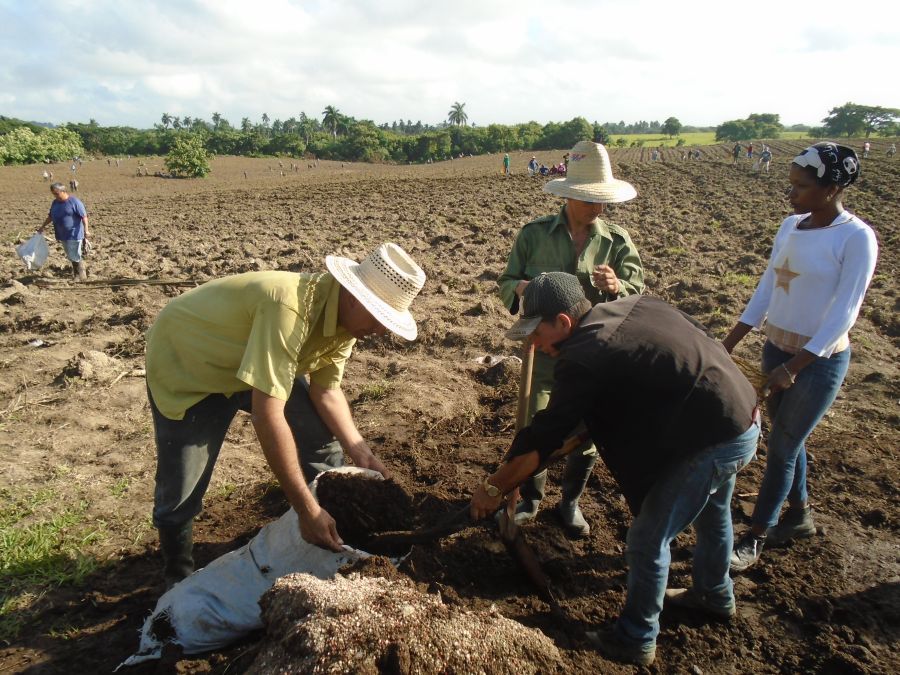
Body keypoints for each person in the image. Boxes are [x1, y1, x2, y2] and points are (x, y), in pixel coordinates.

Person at [470, 272, 759, 666]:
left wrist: (492, 488)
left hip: (712, 439)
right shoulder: (631, 304)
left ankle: (636, 638)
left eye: (536, 333)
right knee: (714, 512)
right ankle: (714, 593)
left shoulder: (585, 358)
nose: (531, 343)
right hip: (738, 413)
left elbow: (546, 436)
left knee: (647, 537)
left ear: (564, 322)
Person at [145, 243, 426, 588]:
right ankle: (177, 577)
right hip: (192, 364)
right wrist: (305, 509)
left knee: (322, 442)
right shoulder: (290, 308)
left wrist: (362, 452)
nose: (381, 330)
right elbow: (268, 415)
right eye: (379, 318)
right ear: (356, 297)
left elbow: (327, 391)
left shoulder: (346, 323)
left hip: (256, 358)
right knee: (182, 490)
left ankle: (341, 535)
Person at [723, 143, 878, 571]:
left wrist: (796, 366)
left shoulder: (856, 238)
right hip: (776, 348)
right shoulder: (790, 226)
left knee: (783, 445)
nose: (791, 194)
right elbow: (768, 289)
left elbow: (846, 313)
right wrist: (730, 342)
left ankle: (757, 534)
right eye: (791, 185)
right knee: (789, 440)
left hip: (819, 362)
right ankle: (801, 515)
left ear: (830, 189)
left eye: (801, 186)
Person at [497, 141, 644, 537]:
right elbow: (505, 281)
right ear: (569, 196)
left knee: (586, 434)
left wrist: (618, 285)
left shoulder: (616, 241)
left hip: (595, 357)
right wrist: (523, 289)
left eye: (602, 201)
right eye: (589, 200)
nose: (597, 208)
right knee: (533, 423)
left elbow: (637, 294)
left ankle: (570, 503)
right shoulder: (534, 235)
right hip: (543, 353)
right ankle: (530, 498)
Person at [37, 182, 91, 280]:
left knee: (74, 253)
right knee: (70, 254)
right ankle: (78, 273)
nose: (55, 196)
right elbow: (50, 216)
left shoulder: (75, 202)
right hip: (62, 234)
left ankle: (80, 275)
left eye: (57, 193)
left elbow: (84, 217)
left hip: (74, 233)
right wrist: (43, 226)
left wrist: (86, 231)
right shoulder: (55, 203)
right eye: (53, 194)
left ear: (63, 191)